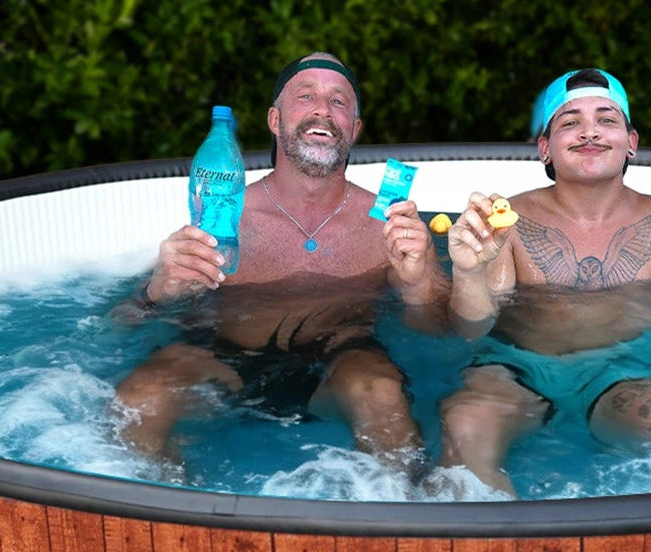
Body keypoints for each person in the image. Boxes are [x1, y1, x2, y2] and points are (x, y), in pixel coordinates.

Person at [434, 67, 651, 497]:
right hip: (515, 369)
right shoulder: (506, 218)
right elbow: (473, 327)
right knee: (463, 428)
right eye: (570, 122)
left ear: (631, 143)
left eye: (607, 119)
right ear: (545, 149)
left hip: (621, 371)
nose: (590, 132)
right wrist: (469, 270)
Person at [111, 52, 446, 476]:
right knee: (139, 398)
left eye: (339, 102)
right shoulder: (223, 215)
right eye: (306, 96)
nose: (323, 109)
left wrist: (418, 283)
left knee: (381, 394)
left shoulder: (388, 224)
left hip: (342, 360)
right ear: (275, 119)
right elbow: (118, 324)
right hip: (224, 360)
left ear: (354, 129)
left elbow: (440, 329)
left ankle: (396, 527)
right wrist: (154, 293)